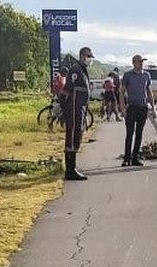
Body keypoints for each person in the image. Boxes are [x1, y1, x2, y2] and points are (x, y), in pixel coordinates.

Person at [62, 47, 95, 181]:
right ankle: (70, 169)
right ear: (82, 55)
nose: (90, 59)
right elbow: (67, 90)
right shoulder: (76, 70)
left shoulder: (83, 70)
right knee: (72, 136)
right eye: (88, 56)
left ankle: (72, 168)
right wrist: (64, 108)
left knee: (77, 135)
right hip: (74, 108)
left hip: (80, 109)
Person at [120, 54, 156, 167]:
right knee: (129, 133)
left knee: (139, 134)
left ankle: (135, 157)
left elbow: (149, 92)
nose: (141, 64)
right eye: (139, 62)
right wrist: (122, 108)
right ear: (134, 62)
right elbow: (121, 92)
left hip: (142, 107)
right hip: (131, 107)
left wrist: (153, 108)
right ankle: (127, 158)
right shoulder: (128, 75)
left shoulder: (146, 75)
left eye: (142, 62)